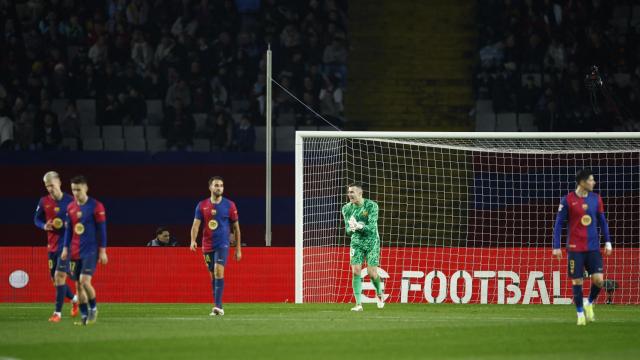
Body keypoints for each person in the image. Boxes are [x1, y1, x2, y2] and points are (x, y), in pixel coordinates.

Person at [553, 169, 612, 326]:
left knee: (599, 280)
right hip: (575, 248)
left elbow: (602, 222)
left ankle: (589, 302)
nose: (594, 183)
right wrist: (556, 246)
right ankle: (580, 314)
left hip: (593, 247)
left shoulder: (596, 199)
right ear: (582, 182)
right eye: (591, 180)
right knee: (577, 281)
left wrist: (608, 242)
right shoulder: (567, 200)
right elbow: (559, 223)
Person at [60, 176, 108, 325]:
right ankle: (84, 317)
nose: (75, 193)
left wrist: (103, 251)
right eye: (73, 189)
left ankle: (93, 309)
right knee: (78, 286)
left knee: (84, 281)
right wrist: (65, 249)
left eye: (78, 189)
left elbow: (102, 231)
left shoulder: (96, 206)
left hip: (90, 251)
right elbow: (68, 230)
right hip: (74, 251)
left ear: (86, 188)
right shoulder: (70, 207)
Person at [190, 176, 241, 316]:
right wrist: (193, 240)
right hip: (207, 245)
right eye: (216, 185)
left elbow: (236, 228)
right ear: (210, 188)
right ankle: (218, 305)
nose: (219, 188)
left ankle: (218, 307)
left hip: (223, 244)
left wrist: (238, 249)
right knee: (213, 275)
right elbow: (196, 224)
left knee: (219, 271)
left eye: (221, 185)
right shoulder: (202, 205)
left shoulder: (230, 205)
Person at [35, 171, 78, 322]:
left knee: (60, 277)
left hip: (66, 246)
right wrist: (43, 225)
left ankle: (57, 314)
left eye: (52, 185)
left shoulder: (71, 201)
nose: (50, 189)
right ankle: (74, 299)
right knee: (56, 280)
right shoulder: (43, 201)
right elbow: (36, 219)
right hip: (51, 247)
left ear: (59, 182)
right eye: (47, 186)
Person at [341, 184, 384, 311]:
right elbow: (347, 230)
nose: (349, 194)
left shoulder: (372, 206)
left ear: (360, 193)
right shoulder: (346, 208)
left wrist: (360, 226)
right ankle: (358, 304)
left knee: (372, 273)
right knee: (355, 271)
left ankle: (379, 293)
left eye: (352, 192)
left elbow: (371, 229)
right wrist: (352, 228)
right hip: (356, 243)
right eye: (349, 192)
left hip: (372, 242)